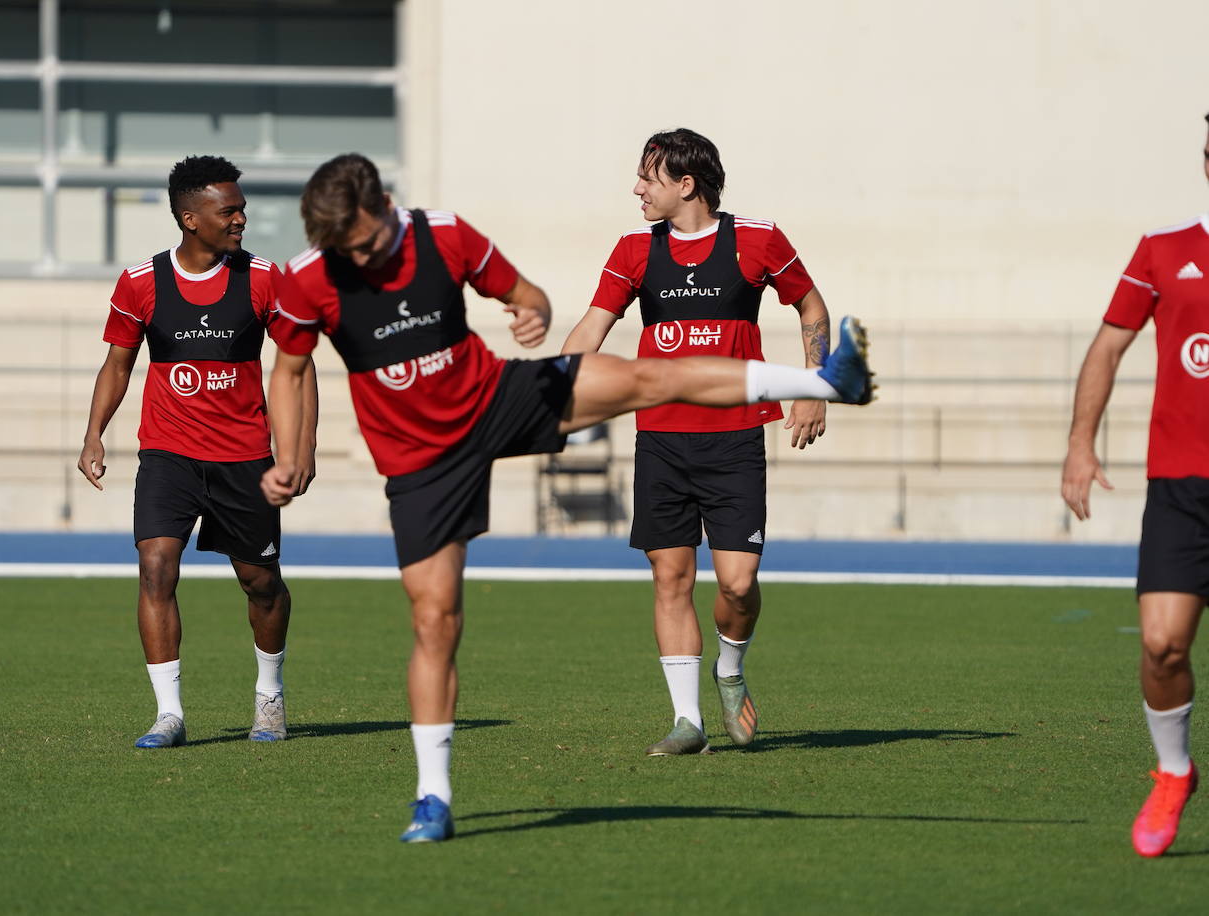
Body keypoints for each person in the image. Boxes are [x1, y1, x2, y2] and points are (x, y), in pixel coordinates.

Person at [263, 152, 872, 843]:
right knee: (436, 621)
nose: (360, 257)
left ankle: (827, 384)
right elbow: (287, 370)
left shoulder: (443, 236)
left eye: (368, 241)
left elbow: (529, 297)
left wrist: (529, 312)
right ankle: (433, 797)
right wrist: (289, 457)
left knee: (648, 378)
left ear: (386, 207)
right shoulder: (309, 279)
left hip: (492, 399)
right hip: (420, 460)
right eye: (345, 248)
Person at [563, 128, 829, 756]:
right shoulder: (633, 250)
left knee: (737, 584)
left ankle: (730, 669)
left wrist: (815, 385)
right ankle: (688, 722)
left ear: (686, 184)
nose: (637, 189)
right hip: (660, 439)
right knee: (670, 575)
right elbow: (589, 333)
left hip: (735, 441)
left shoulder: (758, 240)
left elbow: (811, 307)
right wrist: (541, 394)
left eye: (647, 178)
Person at [77, 155, 318, 749]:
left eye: (241, 208)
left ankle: (269, 697)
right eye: (228, 210)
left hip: (245, 458)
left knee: (260, 582)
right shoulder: (140, 282)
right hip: (167, 454)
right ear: (190, 218)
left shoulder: (265, 278)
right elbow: (117, 364)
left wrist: (301, 446)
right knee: (156, 566)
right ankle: (169, 714)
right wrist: (93, 434)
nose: (242, 218)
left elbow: (298, 364)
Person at [1061, 113, 1209, 857]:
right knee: (1161, 646)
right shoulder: (1165, 248)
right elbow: (1109, 346)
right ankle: (1174, 772)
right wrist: (1080, 445)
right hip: (1183, 487)